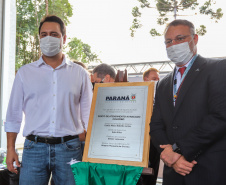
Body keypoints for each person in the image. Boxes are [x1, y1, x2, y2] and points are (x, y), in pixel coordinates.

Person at [5, 15, 92, 185]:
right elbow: (13, 114)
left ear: (64, 39)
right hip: (33, 149)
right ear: (39, 39)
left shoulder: (79, 74)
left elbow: (90, 115)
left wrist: (92, 150)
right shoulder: (24, 73)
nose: (48, 38)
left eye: (54, 34)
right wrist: (10, 148)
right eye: (44, 35)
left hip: (70, 149)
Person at [150, 19, 226, 185]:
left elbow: (220, 117)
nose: (174, 44)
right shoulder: (163, 83)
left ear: (195, 39)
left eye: (180, 38)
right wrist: (171, 158)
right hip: (174, 172)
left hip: (207, 170)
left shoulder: (218, 68)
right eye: (168, 41)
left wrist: (178, 150)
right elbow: (155, 125)